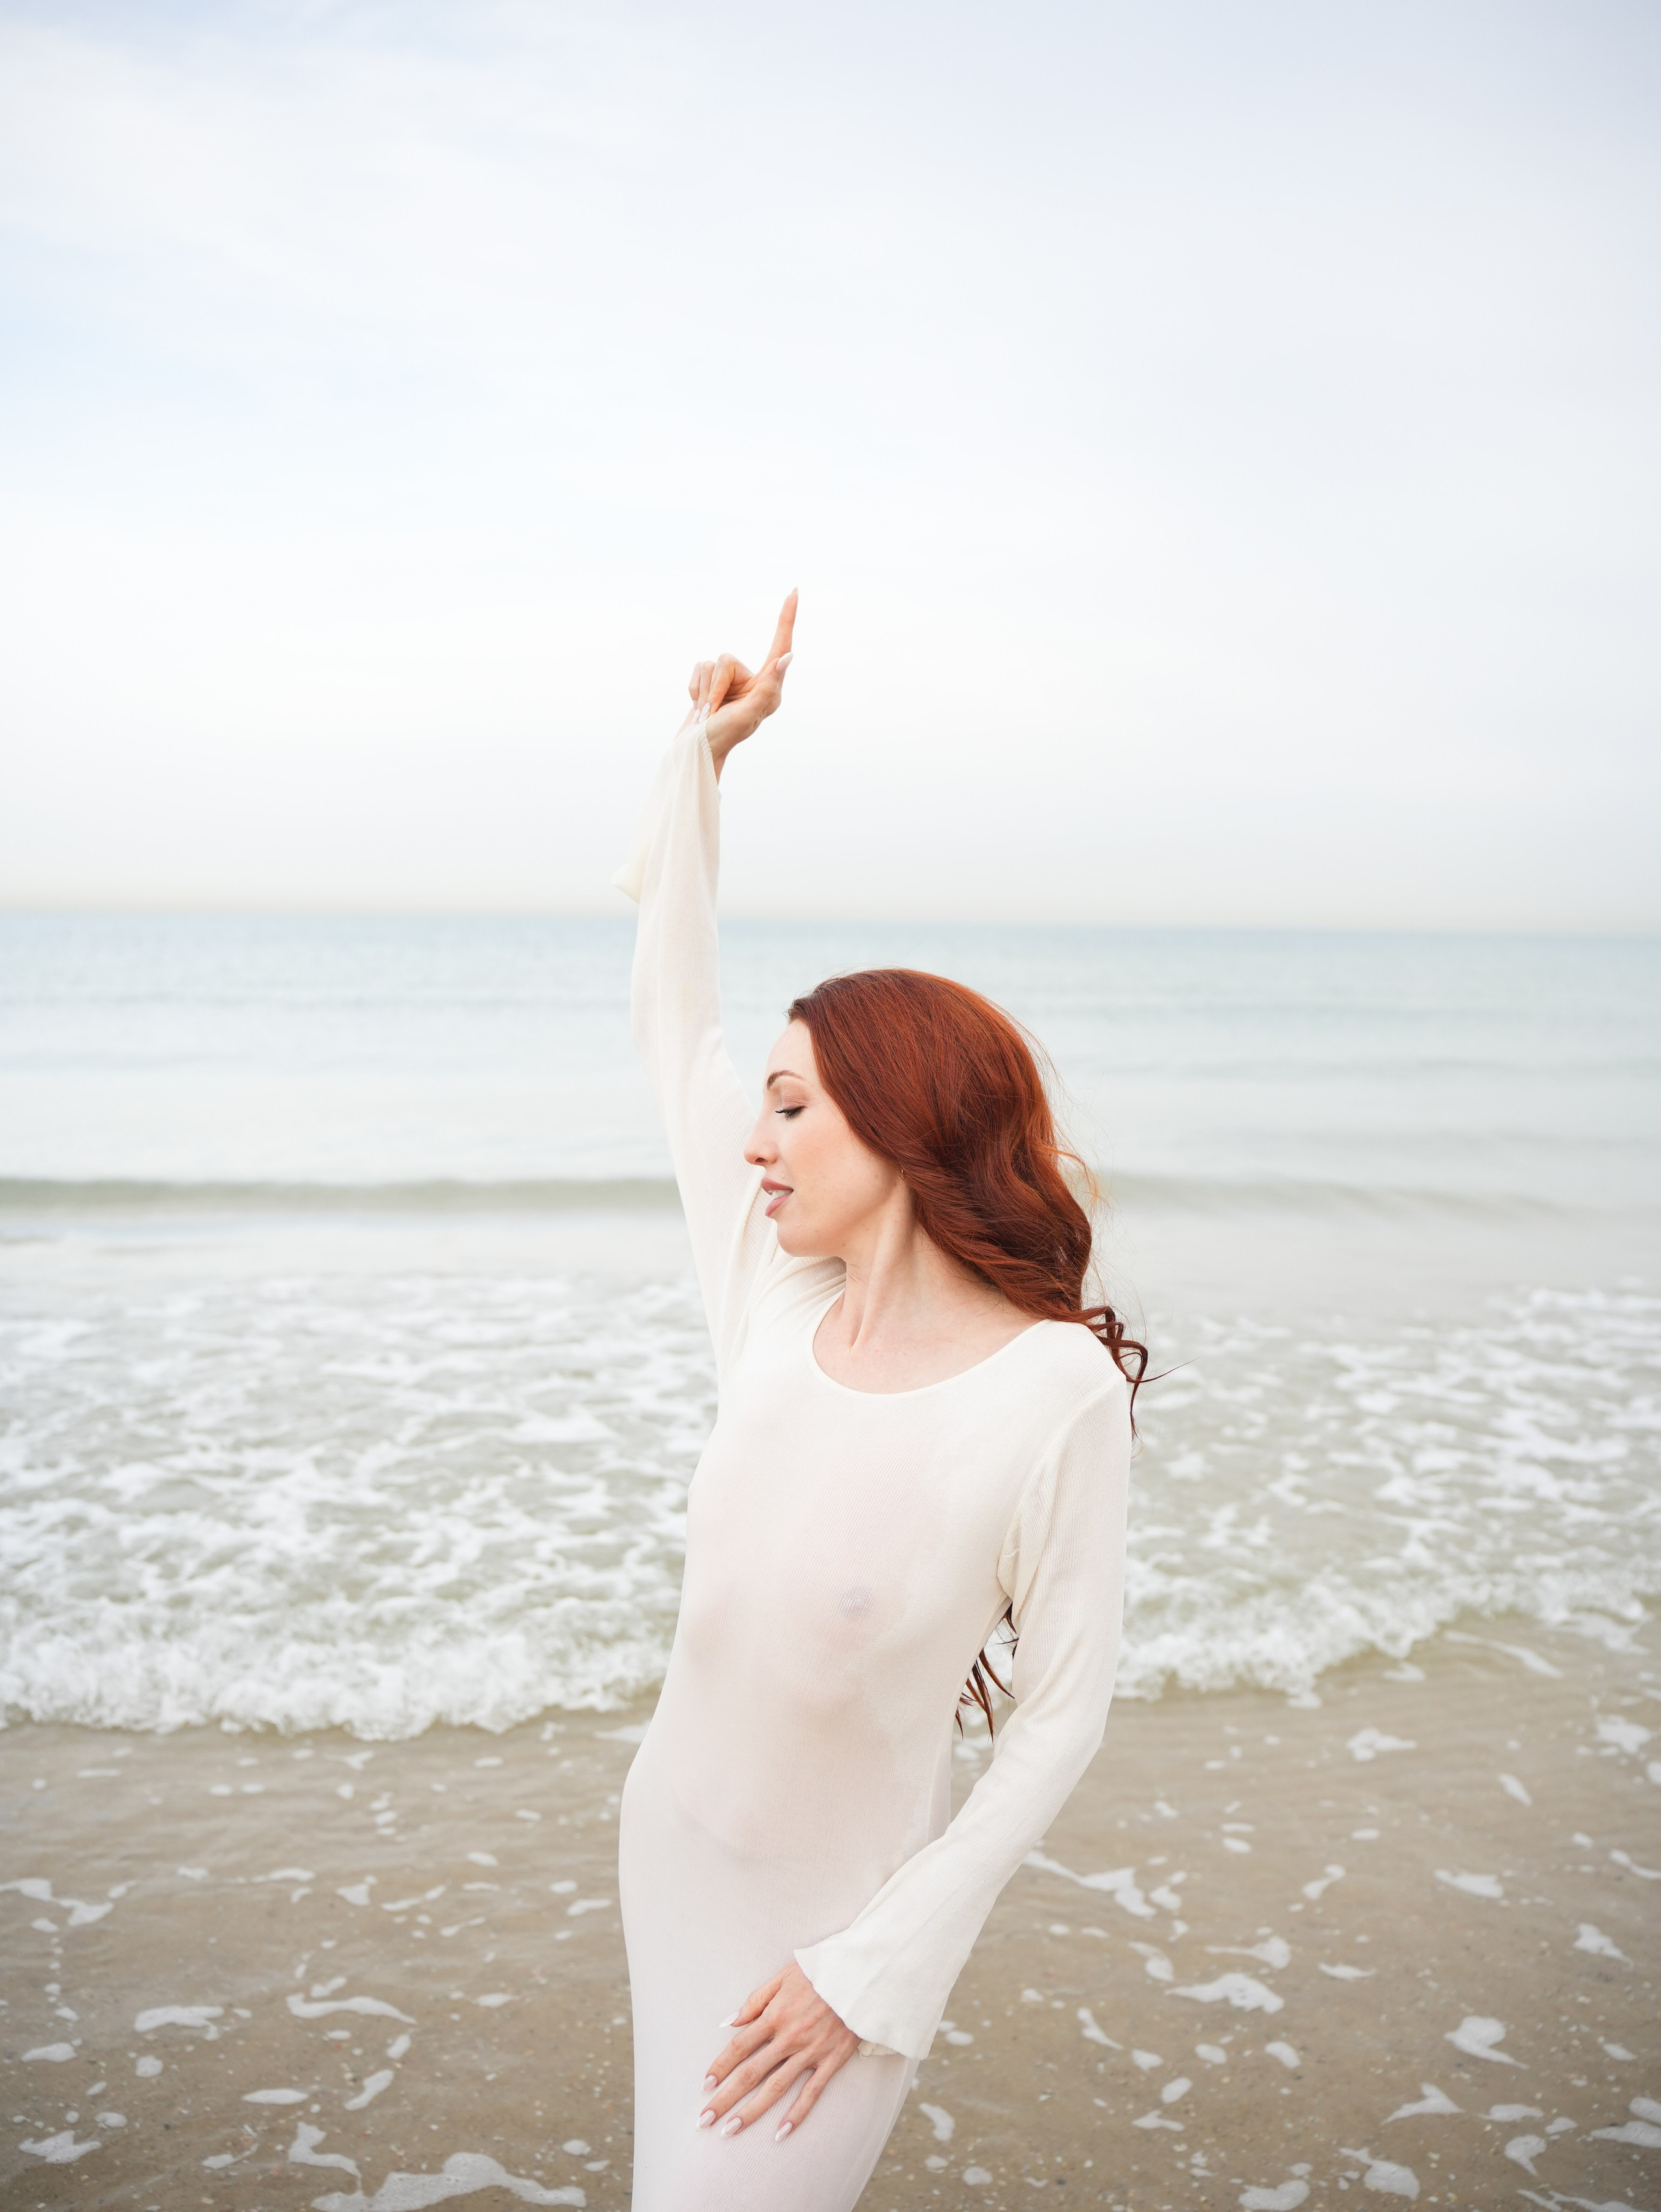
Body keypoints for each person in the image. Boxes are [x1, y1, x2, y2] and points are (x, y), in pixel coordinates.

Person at [612, 591, 1139, 2211]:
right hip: (668, 1858)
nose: (753, 1142)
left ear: (900, 1127)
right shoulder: (772, 1302)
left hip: (831, 1948)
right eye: (755, 1110)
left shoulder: (1048, 1393)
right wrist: (694, 764)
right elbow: (669, 1009)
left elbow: (1060, 1712)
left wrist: (870, 1967)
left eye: (792, 1105)